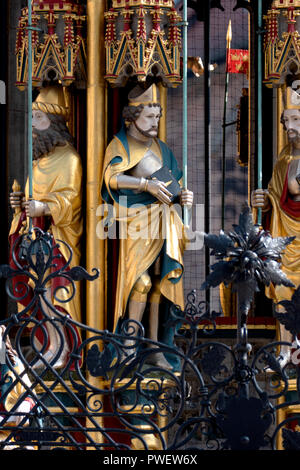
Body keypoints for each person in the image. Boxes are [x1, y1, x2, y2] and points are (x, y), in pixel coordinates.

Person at [101, 84, 193, 369]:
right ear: (132, 116)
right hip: (135, 221)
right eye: (150, 117)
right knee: (138, 281)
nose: (156, 122)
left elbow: (174, 182)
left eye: (157, 116)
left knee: (157, 283)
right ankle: (128, 346)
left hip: (163, 221)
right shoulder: (120, 144)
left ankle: (155, 347)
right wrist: (145, 184)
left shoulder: (160, 147)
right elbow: (110, 178)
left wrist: (184, 196)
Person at [9, 85, 82, 369]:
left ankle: (60, 348)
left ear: (55, 123)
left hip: (57, 241)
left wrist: (44, 207)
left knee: (52, 296)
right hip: (34, 243)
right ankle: (45, 345)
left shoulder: (70, 160)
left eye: (38, 118)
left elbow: (71, 201)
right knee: (37, 297)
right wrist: (20, 205)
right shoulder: (40, 160)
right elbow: (32, 199)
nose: (32, 126)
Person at [251, 82, 300, 367]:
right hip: (285, 237)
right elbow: (276, 192)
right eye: (286, 121)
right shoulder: (284, 158)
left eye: (295, 119)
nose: (288, 126)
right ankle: (285, 350)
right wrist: (264, 200)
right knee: (282, 290)